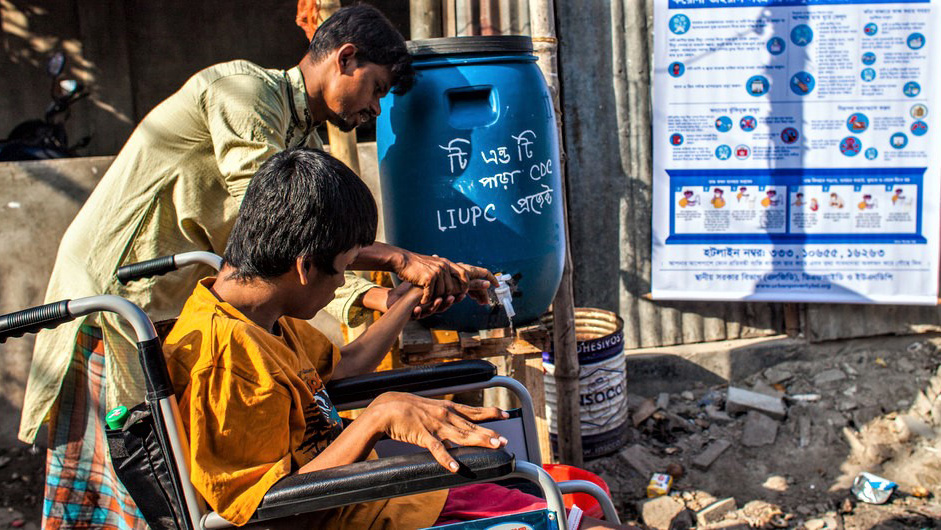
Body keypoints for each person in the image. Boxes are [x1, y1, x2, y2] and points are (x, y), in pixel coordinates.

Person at [22, 5, 493, 528]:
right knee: (142, 478)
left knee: (179, 474)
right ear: (346, 58)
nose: (376, 110)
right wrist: (401, 260)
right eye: (377, 88)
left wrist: (392, 297)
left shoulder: (303, 151)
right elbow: (279, 224)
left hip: (185, 302)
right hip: (120, 295)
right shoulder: (242, 92)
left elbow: (310, 264)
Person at [164, 148, 629, 529]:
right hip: (369, 512)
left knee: (584, 491)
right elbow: (267, 516)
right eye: (343, 271)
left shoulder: (261, 316)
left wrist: (407, 297)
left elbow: (345, 366)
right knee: (585, 516)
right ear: (305, 267)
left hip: (380, 494)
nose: (340, 284)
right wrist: (375, 419)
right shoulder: (227, 361)